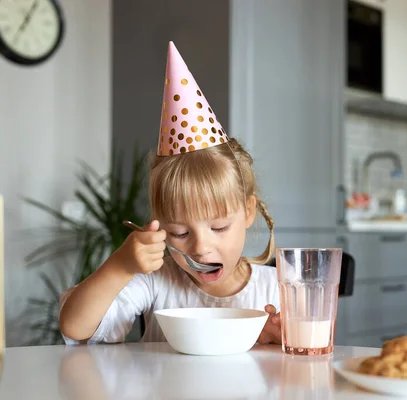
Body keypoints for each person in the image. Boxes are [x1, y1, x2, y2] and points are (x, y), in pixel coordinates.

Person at [58, 41, 281, 345]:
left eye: (219, 227)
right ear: (160, 227)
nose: (201, 248)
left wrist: (279, 339)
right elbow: (75, 327)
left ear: (249, 211)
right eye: (178, 232)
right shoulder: (157, 282)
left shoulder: (280, 289)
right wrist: (120, 266)